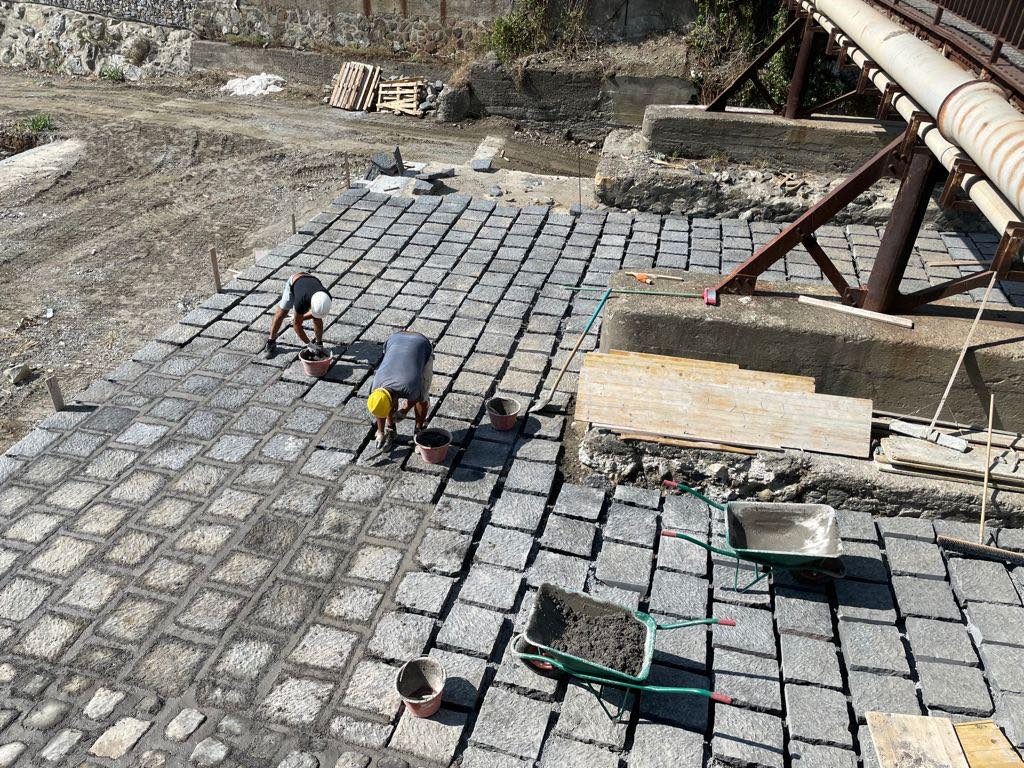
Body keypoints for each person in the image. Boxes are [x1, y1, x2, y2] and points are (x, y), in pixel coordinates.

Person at [367, 331, 433, 451]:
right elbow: (380, 407)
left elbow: (419, 399)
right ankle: (391, 430)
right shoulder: (375, 389)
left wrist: (404, 410)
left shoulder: (410, 386)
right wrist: (381, 432)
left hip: (420, 344)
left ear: (394, 400)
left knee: (422, 398)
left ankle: (419, 431)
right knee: (386, 404)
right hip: (395, 341)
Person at [263, 272, 332, 359]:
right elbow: (296, 325)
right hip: (295, 281)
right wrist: (309, 344)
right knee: (282, 313)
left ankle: (319, 344)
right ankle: (271, 341)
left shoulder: (326, 297)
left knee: (317, 317)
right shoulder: (301, 301)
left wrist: (301, 317)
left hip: (311, 281)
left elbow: (316, 314)